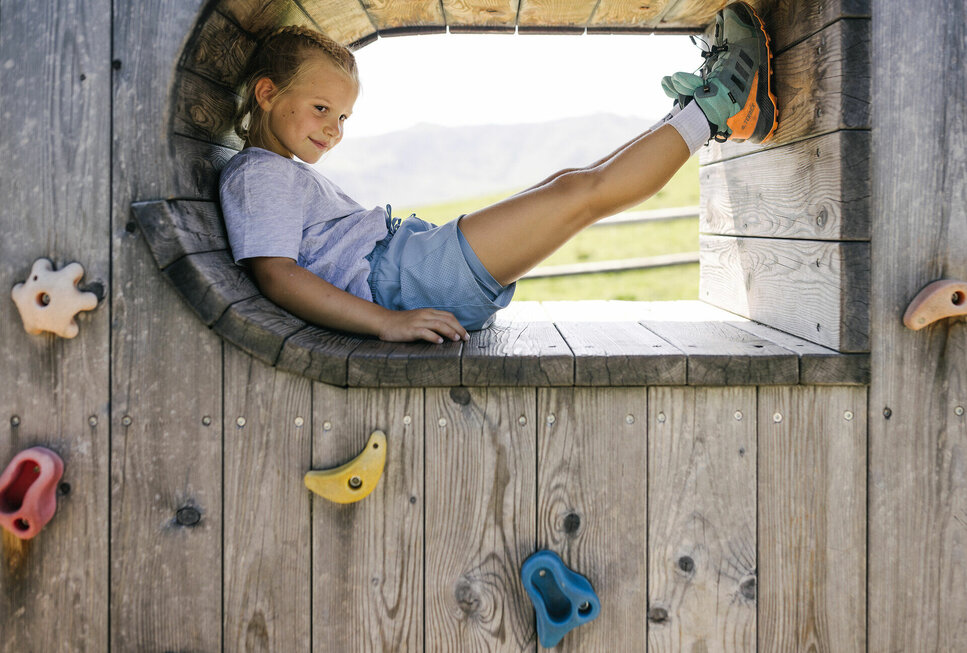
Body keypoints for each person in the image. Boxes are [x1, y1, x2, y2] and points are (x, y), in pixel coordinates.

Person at [219, 2, 777, 344]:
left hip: (409, 267)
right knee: (580, 193)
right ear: (268, 94)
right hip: (403, 281)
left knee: (573, 182)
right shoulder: (258, 174)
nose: (334, 128)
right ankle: (716, 107)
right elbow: (276, 275)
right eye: (322, 109)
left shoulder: (274, 171)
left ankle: (697, 116)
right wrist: (383, 322)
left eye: (342, 116)